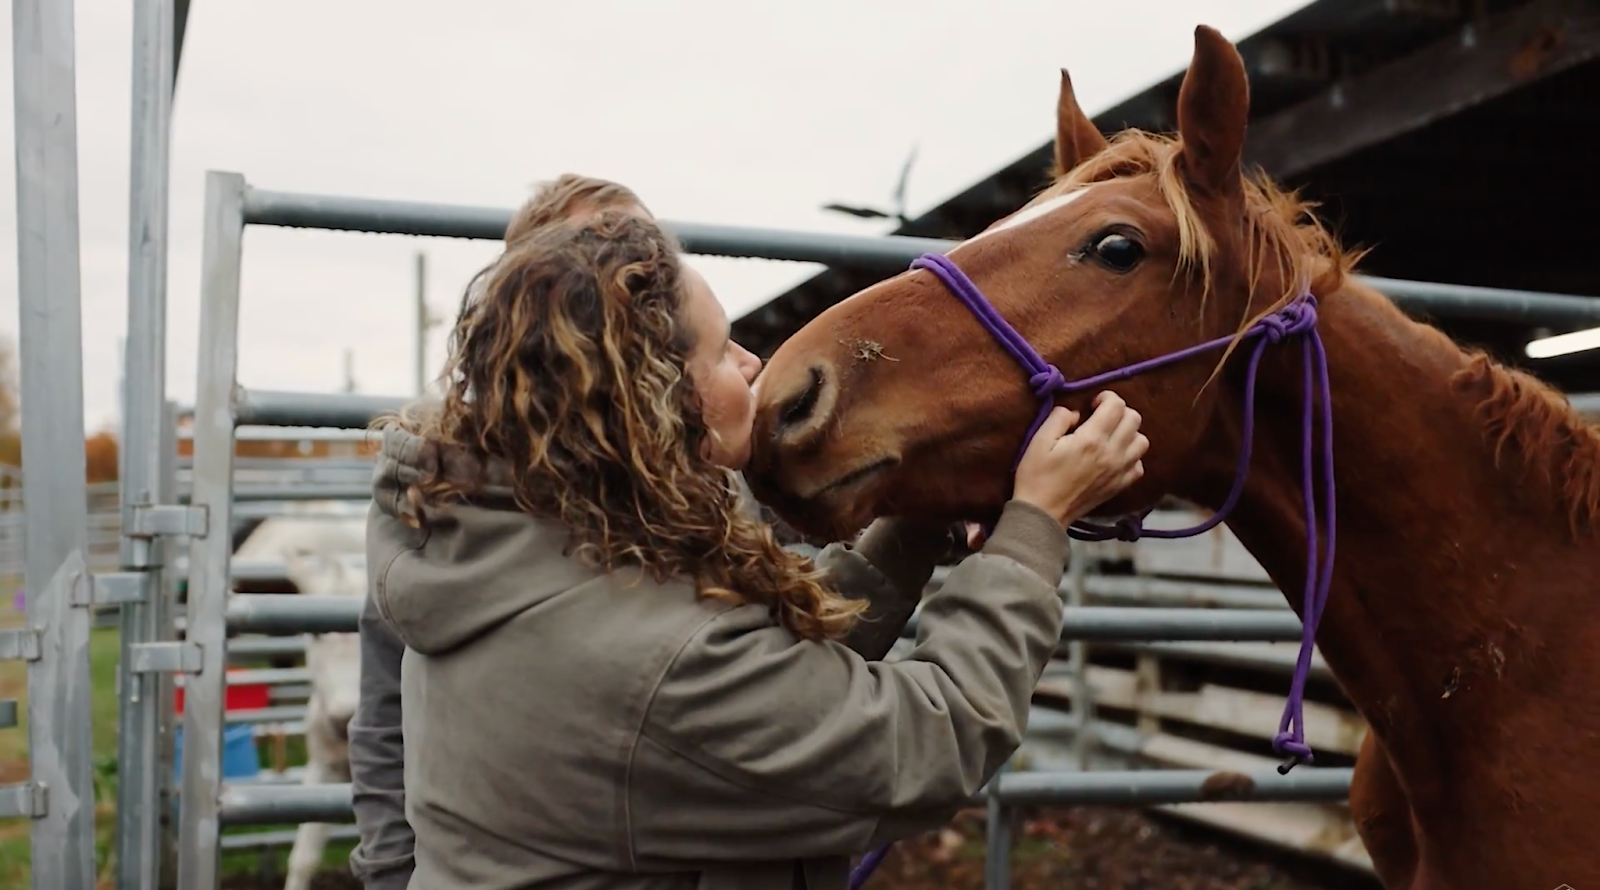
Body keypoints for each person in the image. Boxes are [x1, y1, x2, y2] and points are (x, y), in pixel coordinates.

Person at [357, 188, 1148, 890]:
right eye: (722, 349)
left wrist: (909, 531)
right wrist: (1035, 528)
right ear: (655, 396)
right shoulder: (654, 666)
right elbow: (927, 744)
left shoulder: (533, 541)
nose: (753, 362)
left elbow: (759, 672)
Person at [346, 174, 657, 890]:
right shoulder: (449, 492)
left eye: (649, 261)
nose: (644, 286)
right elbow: (386, 707)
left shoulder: (708, 467)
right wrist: (395, 872)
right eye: (606, 256)